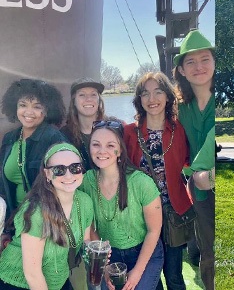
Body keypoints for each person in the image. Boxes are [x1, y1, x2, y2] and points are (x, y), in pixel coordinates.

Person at [123, 72, 192, 290]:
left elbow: (191, 161)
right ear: (139, 100)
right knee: (149, 277)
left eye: (158, 92)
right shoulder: (128, 132)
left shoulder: (180, 129)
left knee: (173, 276)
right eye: (145, 94)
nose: (152, 99)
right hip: (140, 216)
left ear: (168, 96)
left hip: (172, 213)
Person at [81, 119, 163, 290]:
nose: (102, 151)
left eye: (110, 145)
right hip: (110, 254)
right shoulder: (86, 181)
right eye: (96, 145)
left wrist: (138, 272)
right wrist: (102, 264)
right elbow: (90, 226)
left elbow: (154, 231)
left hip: (143, 251)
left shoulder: (141, 182)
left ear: (120, 150)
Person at [0, 143, 95, 290]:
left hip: (58, 279)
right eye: (59, 170)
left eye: (75, 167)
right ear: (47, 174)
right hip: (18, 282)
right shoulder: (36, 211)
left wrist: (95, 251)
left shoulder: (85, 202)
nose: (69, 175)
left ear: (82, 170)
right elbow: (32, 274)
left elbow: (85, 240)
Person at [172, 30, 215, 290]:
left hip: (212, 181)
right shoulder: (180, 108)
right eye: (191, 62)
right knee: (208, 249)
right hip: (199, 191)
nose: (199, 66)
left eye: (205, 59)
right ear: (182, 70)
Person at [0, 79, 67, 239]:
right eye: (23, 105)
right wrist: (7, 227)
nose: (28, 112)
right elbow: (3, 185)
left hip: (43, 220)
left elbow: (66, 182)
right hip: (14, 218)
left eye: (37, 107)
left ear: (47, 111)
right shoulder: (10, 138)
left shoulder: (52, 137)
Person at [60, 78, 106, 171]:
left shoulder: (113, 129)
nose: (88, 99)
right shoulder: (64, 135)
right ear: (74, 101)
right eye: (82, 95)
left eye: (93, 94)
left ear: (99, 100)